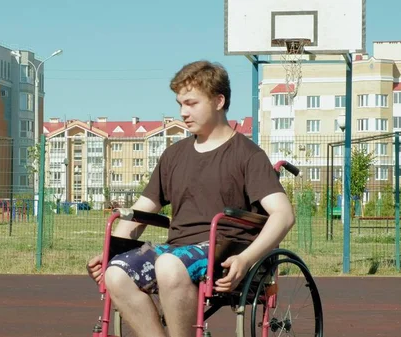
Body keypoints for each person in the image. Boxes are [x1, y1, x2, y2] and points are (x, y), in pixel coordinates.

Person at [86, 60, 295, 337]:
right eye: (180, 104)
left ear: (219, 101)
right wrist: (110, 254)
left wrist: (245, 259)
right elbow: (140, 212)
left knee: (169, 265)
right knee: (117, 273)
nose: (183, 112)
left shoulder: (247, 154)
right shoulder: (174, 156)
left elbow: (284, 214)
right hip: (177, 250)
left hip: (225, 249)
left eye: (191, 103)